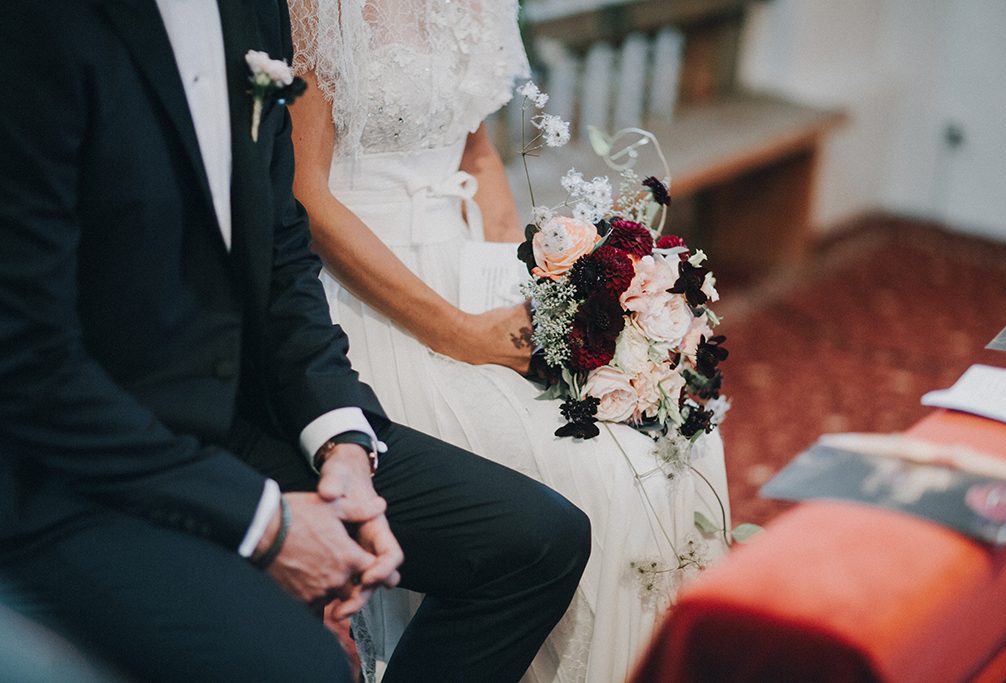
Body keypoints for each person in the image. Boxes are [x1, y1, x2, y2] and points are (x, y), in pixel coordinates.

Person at [0, 2, 589, 681]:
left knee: (539, 540)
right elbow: (30, 367)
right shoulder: (37, 24)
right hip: (74, 467)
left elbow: (282, 250)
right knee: (308, 665)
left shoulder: (251, 8)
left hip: (237, 414)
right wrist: (267, 524)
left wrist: (342, 440)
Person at [286, 1, 733, 681]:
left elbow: (479, 152)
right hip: (365, 294)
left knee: (681, 438)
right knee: (600, 479)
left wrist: (543, 297)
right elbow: (305, 196)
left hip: (469, 270)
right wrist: (461, 332)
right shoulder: (318, 8)